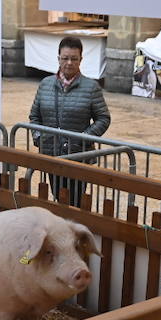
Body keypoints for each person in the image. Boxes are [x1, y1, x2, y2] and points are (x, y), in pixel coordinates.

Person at [27, 36, 111, 206]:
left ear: (81, 59)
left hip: (78, 155)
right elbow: (34, 116)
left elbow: (103, 118)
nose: (69, 63)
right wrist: (38, 137)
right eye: (65, 58)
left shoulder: (91, 87)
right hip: (51, 152)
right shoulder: (45, 84)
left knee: (75, 200)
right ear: (58, 58)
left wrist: (83, 137)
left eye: (74, 58)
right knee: (58, 196)